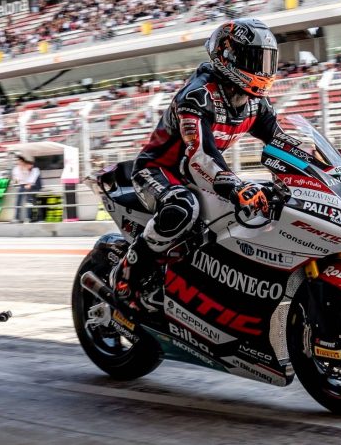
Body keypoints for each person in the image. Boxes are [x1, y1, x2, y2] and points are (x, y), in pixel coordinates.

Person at [117, 19, 300, 312]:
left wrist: (317, 168)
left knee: (265, 201)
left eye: (267, 61)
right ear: (228, 56)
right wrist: (235, 186)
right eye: (255, 60)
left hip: (200, 174)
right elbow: (200, 154)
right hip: (159, 170)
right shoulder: (198, 95)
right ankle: (129, 271)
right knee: (182, 207)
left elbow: (282, 143)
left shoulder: (256, 103)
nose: (263, 70)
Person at [12, 156, 41, 222]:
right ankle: (16, 218)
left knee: (29, 202)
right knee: (18, 202)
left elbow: (32, 176)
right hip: (21, 185)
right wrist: (16, 181)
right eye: (18, 161)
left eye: (20, 161)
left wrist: (29, 184)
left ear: (23, 161)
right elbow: (16, 179)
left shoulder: (30, 168)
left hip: (29, 186)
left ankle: (28, 217)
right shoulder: (16, 169)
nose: (19, 163)